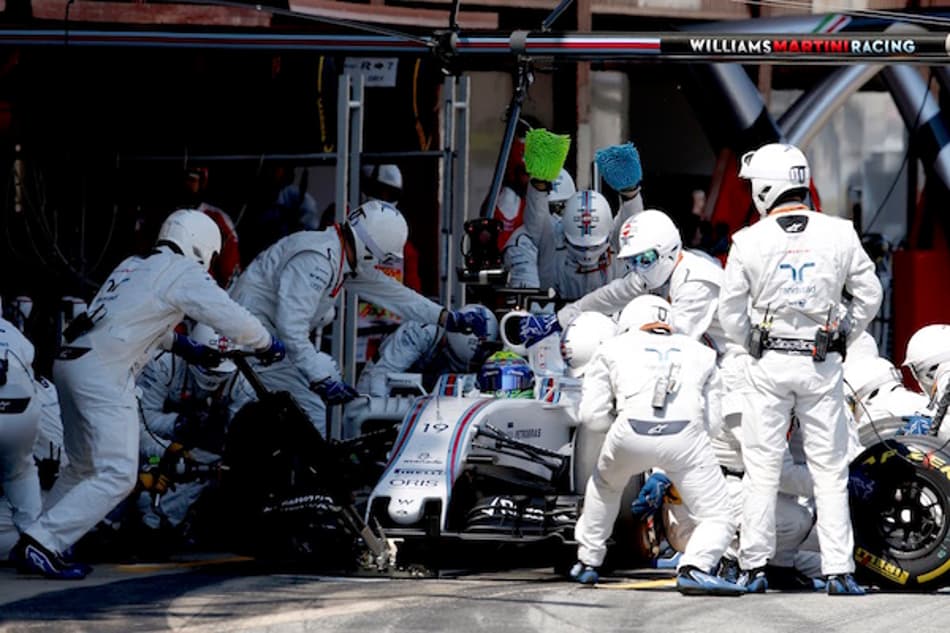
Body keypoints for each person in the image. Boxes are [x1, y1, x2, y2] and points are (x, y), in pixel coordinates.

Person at [14, 209, 286, 579]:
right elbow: (227, 313)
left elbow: (126, 319)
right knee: (117, 473)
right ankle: (44, 542)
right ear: (202, 245)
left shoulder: (134, 265)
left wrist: (185, 346)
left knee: (81, 467)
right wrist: (265, 342)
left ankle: (38, 540)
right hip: (104, 370)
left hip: (71, 363)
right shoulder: (182, 271)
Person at [718, 142, 883, 596]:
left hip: (769, 364)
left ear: (765, 188)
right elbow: (870, 294)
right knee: (830, 471)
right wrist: (845, 332)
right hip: (821, 363)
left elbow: (729, 311)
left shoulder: (748, 240)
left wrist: (751, 341)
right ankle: (838, 571)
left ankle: (753, 567)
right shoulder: (840, 232)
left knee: (762, 470)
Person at [229, 199, 489, 433]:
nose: (379, 263)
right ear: (371, 249)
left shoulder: (337, 255)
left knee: (300, 410)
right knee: (310, 414)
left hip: (262, 339)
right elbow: (291, 330)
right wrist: (320, 377)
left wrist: (445, 317)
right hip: (252, 342)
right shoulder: (317, 261)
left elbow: (393, 293)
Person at [570, 295, 744, 595]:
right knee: (718, 515)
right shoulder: (702, 353)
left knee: (604, 487)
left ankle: (588, 561)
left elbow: (591, 417)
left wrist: (622, 426)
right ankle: (695, 567)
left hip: (629, 432)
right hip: (686, 438)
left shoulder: (610, 348)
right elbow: (712, 424)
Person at [135, 323, 256, 539]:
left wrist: (219, 432)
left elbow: (240, 440)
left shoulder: (241, 380)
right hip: (155, 445)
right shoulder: (163, 364)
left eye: (219, 369)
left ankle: (165, 524)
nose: (213, 374)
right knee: (139, 469)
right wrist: (178, 425)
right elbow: (139, 423)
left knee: (212, 467)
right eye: (208, 365)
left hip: (205, 450)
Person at [355, 304, 499, 398]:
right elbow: (382, 376)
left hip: (434, 397)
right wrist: (377, 411)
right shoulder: (419, 330)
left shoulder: (485, 355)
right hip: (384, 383)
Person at [0, 311, 44, 567]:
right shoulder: (13, 333)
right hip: (20, 407)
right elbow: (29, 355)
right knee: (21, 473)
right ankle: (38, 542)